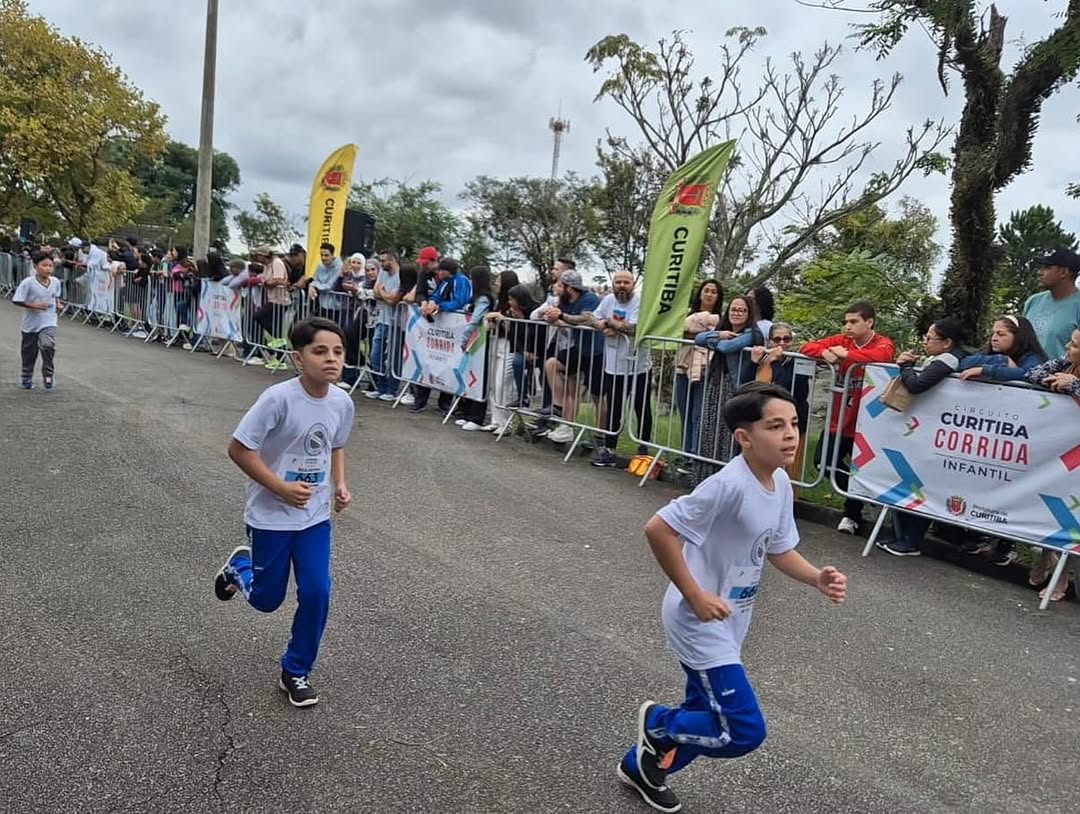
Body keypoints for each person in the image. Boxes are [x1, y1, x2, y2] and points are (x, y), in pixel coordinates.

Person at [616, 383, 848, 814]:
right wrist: (696, 594)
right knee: (740, 730)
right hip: (697, 619)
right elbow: (659, 529)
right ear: (744, 437)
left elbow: (778, 548)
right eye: (775, 426)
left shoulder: (778, 481)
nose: (791, 435)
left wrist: (816, 577)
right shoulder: (727, 485)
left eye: (794, 424)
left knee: (705, 710)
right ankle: (658, 725)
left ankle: (641, 767)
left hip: (732, 616)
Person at [213, 317, 355, 707]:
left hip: (314, 516)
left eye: (338, 352)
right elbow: (239, 449)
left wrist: (339, 485)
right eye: (320, 351)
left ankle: (295, 670)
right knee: (266, 600)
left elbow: (336, 445)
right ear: (298, 357)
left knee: (317, 592)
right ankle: (237, 570)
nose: (331, 359)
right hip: (270, 515)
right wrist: (278, 487)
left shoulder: (342, 402)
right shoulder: (277, 399)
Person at [873, 318, 967, 557]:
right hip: (921, 430)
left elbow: (917, 385)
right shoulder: (935, 360)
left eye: (929, 337)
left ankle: (911, 539)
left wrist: (905, 367)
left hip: (934, 433)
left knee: (922, 486)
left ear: (947, 343)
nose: (925, 341)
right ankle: (901, 535)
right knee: (907, 481)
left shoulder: (947, 360)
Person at [799, 303, 896, 535]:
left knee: (860, 467)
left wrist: (847, 356)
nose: (848, 326)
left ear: (869, 322)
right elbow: (806, 347)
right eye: (846, 321)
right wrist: (824, 352)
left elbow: (881, 356)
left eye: (853, 322)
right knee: (822, 463)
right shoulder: (842, 340)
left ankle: (852, 514)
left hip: (866, 423)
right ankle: (863, 495)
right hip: (838, 419)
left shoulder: (882, 342)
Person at [692, 295, 764, 479]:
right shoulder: (722, 330)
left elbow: (728, 347)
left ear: (749, 314)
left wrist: (716, 340)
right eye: (733, 309)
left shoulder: (752, 334)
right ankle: (706, 477)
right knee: (710, 432)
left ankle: (729, 479)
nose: (737, 313)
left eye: (742, 310)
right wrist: (718, 334)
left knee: (730, 435)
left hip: (737, 389)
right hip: (716, 386)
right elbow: (698, 338)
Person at [591, 269, 653, 467]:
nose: (622, 286)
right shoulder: (609, 300)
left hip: (638, 366)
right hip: (614, 366)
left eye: (626, 282)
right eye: (618, 282)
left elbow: (633, 328)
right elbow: (593, 317)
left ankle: (643, 450)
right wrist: (603, 325)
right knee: (614, 408)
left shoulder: (640, 302)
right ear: (613, 284)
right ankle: (609, 450)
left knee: (641, 409)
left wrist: (610, 324)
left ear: (633, 284)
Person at [541, 270, 604, 444]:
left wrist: (561, 316)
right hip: (578, 347)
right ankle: (558, 407)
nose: (558, 287)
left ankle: (600, 434)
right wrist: (553, 320)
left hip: (595, 350)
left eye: (562, 285)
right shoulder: (563, 302)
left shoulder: (589, 298)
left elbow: (584, 319)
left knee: (597, 394)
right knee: (552, 364)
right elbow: (567, 328)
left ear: (569, 287)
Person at [749, 322, 810, 489]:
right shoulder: (763, 358)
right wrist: (753, 363)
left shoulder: (800, 361)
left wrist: (775, 362)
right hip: (764, 419)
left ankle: (789, 502)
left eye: (787, 339)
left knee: (790, 468)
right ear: (769, 341)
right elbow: (747, 385)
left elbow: (787, 386)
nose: (782, 343)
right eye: (777, 339)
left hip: (792, 421)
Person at [410, 258, 473, 414]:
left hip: (454, 329)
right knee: (429, 360)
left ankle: (444, 402)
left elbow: (459, 302)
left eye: (441, 270)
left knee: (450, 363)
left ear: (447, 271)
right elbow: (437, 295)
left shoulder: (461, 281)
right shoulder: (445, 281)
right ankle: (421, 400)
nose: (438, 272)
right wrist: (431, 302)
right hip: (439, 329)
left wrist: (441, 306)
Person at [675, 280, 723, 458]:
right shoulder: (687, 315)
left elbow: (718, 338)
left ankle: (695, 453)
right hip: (684, 367)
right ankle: (684, 453)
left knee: (698, 413)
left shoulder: (721, 320)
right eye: (706, 290)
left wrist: (698, 336)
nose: (709, 294)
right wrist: (702, 336)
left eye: (714, 292)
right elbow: (679, 331)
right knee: (684, 412)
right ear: (700, 293)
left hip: (706, 368)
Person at [13, 251, 64, 390]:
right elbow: (17, 300)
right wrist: (34, 305)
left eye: (50, 266)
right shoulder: (28, 283)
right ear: (35, 266)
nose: (48, 268)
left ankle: (48, 376)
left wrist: (58, 305)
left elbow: (55, 296)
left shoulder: (55, 282)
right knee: (29, 352)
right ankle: (26, 376)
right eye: (44, 265)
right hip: (31, 324)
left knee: (48, 346)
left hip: (49, 321)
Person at [458, 266, 496, 431]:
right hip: (476, 343)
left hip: (480, 341)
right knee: (470, 375)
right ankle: (467, 413)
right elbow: (471, 309)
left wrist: (464, 336)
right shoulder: (478, 298)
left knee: (478, 377)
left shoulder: (484, 299)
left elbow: (475, 320)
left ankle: (476, 416)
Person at [1023, 249, 1080, 358]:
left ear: (1064, 272)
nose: (1040, 273)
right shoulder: (1033, 301)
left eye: (1047, 267)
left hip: (1061, 374)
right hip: (1025, 372)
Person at [958, 315, 1047, 382]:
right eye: (993, 334)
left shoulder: (1032, 358)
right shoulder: (992, 353)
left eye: (1001, 334)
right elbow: (963, 362)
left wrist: (986, 370)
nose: (994, 338)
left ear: (1018, 337)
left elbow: (1028, 374)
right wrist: (1003, 360)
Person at [365, 250, 403, 401]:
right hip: (381, 319)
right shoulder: (383, 274)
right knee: (375, 354)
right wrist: (383, 293)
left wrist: (383, 293)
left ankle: (392, 390)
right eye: (380, 261)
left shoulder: (399, 277)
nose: (380, 264)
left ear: (392, 260)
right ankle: (381, 386)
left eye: (383, 261)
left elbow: (393, 299)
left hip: (396, 322)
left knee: (394, 357)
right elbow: (376, 292)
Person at [251, 247, 293, 371]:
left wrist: (267, 283)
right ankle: (279, 355)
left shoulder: (277, 263)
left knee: (259, 316)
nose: (258, 258)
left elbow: (279, 280)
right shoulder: (267, 265)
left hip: (280, 300)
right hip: (272, 298)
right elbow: (264, 278)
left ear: (264, 255)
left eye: (259, 256)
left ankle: (279, 346)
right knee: (276, 325)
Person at [307, 242, 343, 323]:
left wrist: (313, 285)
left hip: (336, 307)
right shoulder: (320, 265)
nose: (323, 258)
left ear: (333, 255)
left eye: (326, 255)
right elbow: (315, 279)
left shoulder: (339, 266)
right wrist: (312, 286)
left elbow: (329, 286)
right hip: (322, 304)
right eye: (321, 255)